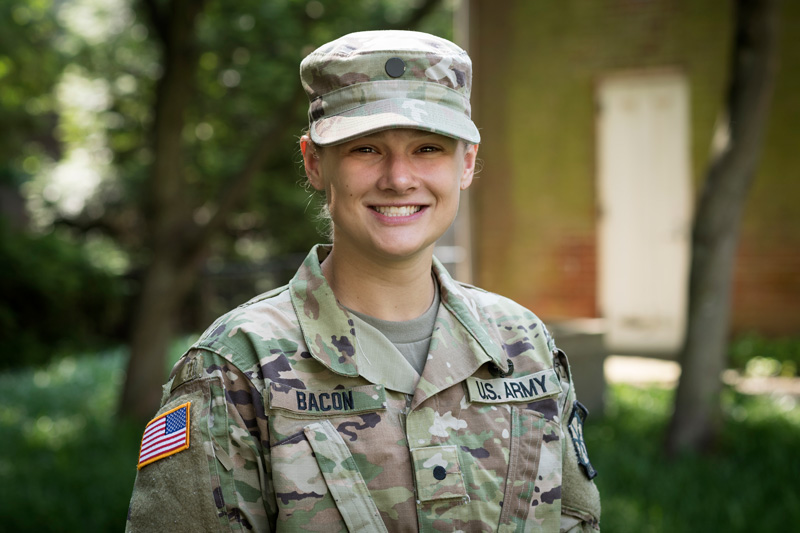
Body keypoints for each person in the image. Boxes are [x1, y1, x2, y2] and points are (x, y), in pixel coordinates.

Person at [126, 30, 601, 532]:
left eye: (427, 148)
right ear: (314, 162)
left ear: (465, 163)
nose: (398, 178)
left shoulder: (522, 344)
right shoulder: (239, 368)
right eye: (366, 149)